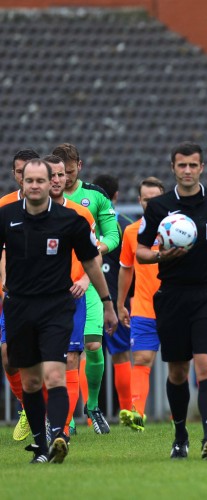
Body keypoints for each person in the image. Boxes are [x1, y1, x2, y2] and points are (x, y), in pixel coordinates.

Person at [0, 158, 117, 463]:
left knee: (56, 375)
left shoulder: (71, 220)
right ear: (21, 184)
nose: (37, 186)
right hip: (19, 307)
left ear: (53, 181)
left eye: (42, 180)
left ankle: (60, 435)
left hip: (56, 307)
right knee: (31, 382)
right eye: (31, 181)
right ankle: (40, 446)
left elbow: (91, 261)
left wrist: (107, 303)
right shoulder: (6, 216)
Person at [136, 142, 207, 460]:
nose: (188, 171)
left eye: (193, 165)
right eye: (182, 166)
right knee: (178, 371)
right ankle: (181, 435)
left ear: (202, 167)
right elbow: (139, 251)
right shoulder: (159, 207)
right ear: (173, 168)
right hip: (172, 295)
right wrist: (160, 256)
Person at [53, 143, 120, 433]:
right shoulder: (45, 196)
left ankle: (92, 406)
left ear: (79, 166)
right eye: (59, 173)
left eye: (69, 172)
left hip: (88, 283)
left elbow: (113, 235)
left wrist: (92, 252)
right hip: (55, 286)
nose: (64, 179)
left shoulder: (95, 196)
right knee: (61, 355)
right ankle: (62, 419)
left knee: (92, 345)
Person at [117, 177, 165, 431]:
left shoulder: (178, 228)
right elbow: (126, 269)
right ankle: (137, 413)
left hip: (176, 305)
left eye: (155, 199)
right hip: (144, 306)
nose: (150, 203)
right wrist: (121, 303)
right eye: (146, 199)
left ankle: (179, 415)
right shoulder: (132, 231)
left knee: (181, 366)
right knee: (142, 358)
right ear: (139, 201)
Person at [1, 148, 40, 442]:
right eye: (19, 171)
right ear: (16, 175)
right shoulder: (4, 208)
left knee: (52, 361)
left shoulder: (54, 209)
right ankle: (27, 407)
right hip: (11, 297)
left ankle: (58, 423)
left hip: (47, 296)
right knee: (8, 356)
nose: (25, 176)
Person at [92, 173, 134, 422]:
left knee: (86, 354)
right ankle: (127, 410)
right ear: (116, 196)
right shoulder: (124, 226)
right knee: (120, 355)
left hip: (88, 295)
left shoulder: (83, 219)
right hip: (116, 298)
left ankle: (87, 415)